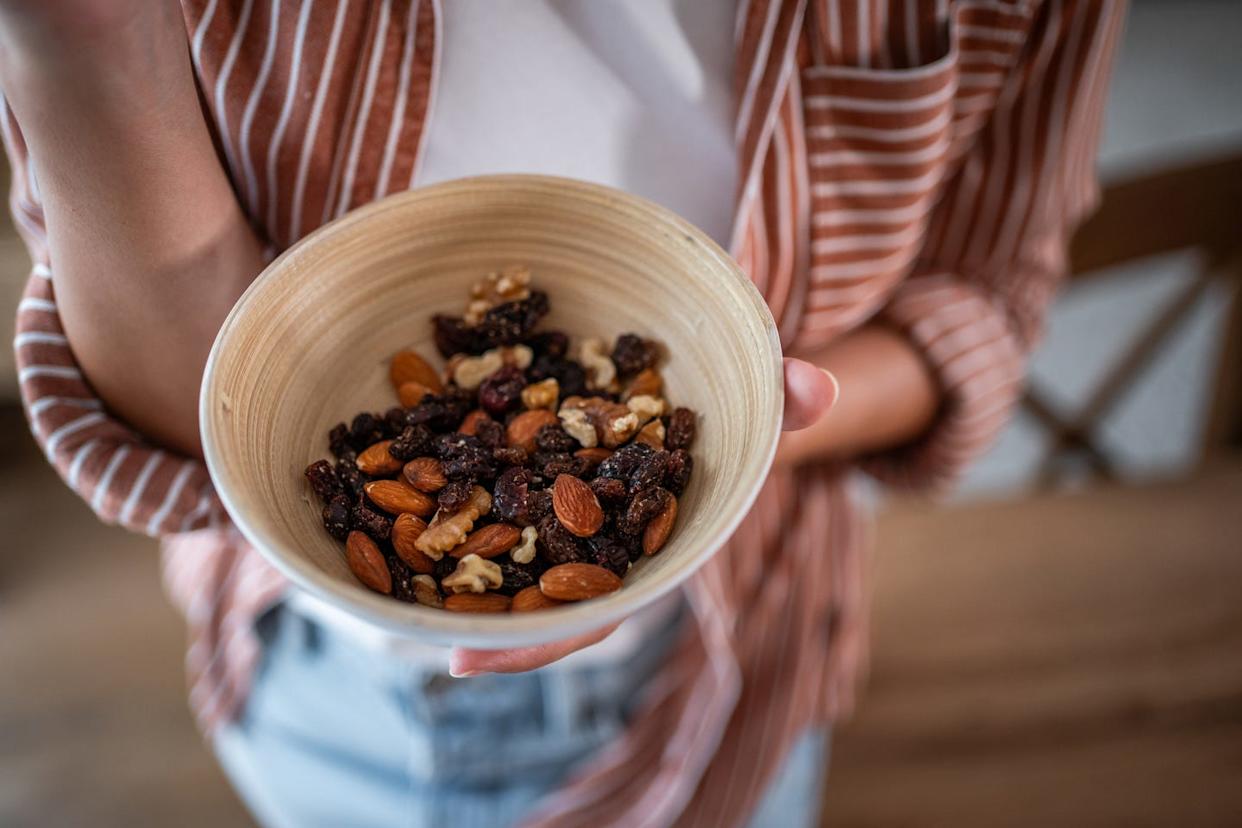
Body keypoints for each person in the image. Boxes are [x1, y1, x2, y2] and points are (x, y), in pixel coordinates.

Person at [2, 1, 1125, 825]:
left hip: (742, 662)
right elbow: (207, 413)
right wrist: (82, 39)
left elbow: (988, 295)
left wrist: (755, 434)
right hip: (321, 674)